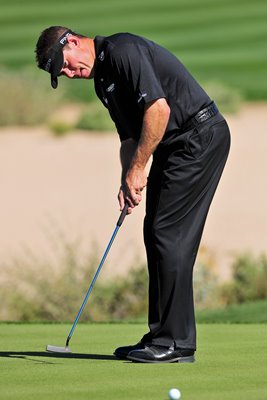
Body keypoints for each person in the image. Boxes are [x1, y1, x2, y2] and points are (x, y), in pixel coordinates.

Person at [35, 26, 230, 363]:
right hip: (175, 147)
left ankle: (176, 342)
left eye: (63, 65)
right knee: (156, 233)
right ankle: (161, 336)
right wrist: (128, 177)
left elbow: (159, 110)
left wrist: (139, 169)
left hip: (198, 137)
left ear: (73, 41)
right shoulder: (102, 83)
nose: (67, 73)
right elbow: (129, 138)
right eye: (60, 74)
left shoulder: (123, 51)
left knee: (167, 235)